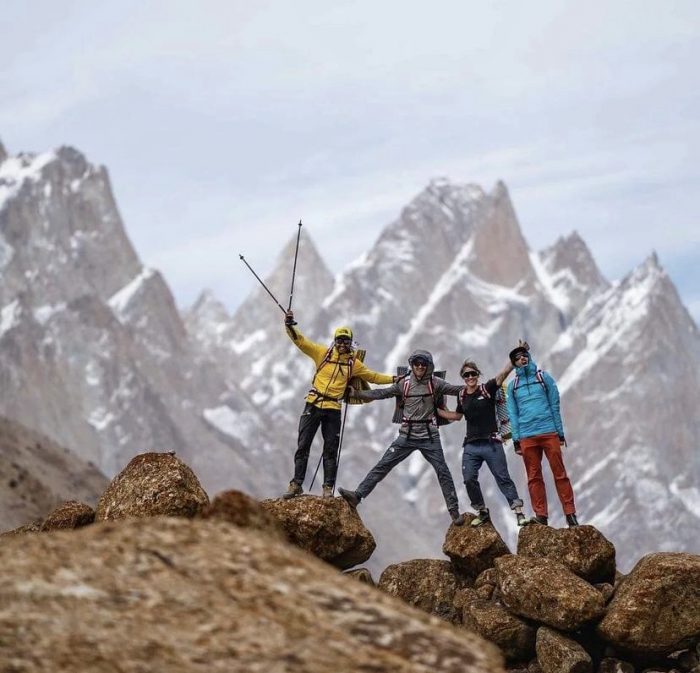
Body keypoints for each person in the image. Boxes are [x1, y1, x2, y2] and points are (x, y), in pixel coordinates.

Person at [338, 349, 467, 526]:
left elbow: (458, 390)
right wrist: (355, 394)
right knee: (383, 465)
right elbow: (380, 394)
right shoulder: (403, 384)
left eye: (423, 364)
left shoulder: (436, 383)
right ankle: (357, 496)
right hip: (406, 435)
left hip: (430, 436)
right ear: (412, 365)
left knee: (443, 471)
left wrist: (483, 388)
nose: (420, 367)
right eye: (417, 364)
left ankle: (454, 512)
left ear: (428, 366)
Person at [282, 309, 395, 499]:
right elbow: (300, 341)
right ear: (334, 341)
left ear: (351, 343)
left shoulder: (353, 364)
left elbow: (374, 376)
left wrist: (394, 378)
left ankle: (328, 488)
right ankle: (296, 484)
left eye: (346, 341)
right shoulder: (322, 353)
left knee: (330, 450)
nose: (342, 344)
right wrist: (289, 324)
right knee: (303, 446)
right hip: (313, 404)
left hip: (333, 408)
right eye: (339, 340)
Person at [438, 343, 528, 528]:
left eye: (473, 374)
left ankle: (519, 512)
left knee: (502, 477)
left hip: (491, 443)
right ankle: (482, 511)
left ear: (478, 375)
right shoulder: (462, 395)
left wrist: (514, 359)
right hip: (471, 445)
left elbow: (502, 375)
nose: (470, 377)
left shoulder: (486, 389)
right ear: (463, 378)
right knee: (469, 478)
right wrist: (437, 412)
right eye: (466, 375)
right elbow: (457, 416)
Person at [506, 344, 579, 527]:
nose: (522, 358)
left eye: (524, 355)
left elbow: (555, 404)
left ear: (529, 357)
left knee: (560, 474)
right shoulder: (513, 386)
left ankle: (570, 514)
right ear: (514, 363)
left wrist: (560, 433)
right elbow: (512, 414)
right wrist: (516, 439)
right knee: (533, 477)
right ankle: (541, 516)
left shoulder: (543, 377)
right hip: (526, 436)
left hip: (548, 432)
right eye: (517, 357)